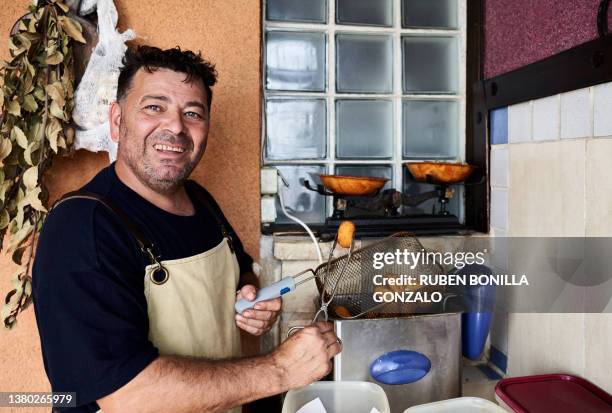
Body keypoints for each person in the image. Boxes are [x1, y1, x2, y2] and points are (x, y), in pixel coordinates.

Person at [32, 46, 341, 413]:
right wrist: (280, 369)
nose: (176, 126)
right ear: (117, 121)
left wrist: (250, 301)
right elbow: (127, 395)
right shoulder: (81, 228)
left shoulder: (199, 200)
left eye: (192, 113)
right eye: (154, 107)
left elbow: (239, 270)